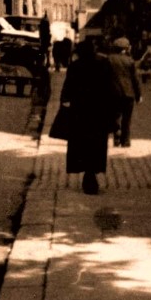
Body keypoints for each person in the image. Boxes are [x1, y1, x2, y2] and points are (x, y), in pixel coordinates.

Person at [59, 37, 121, 194]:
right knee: (97, 144)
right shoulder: (103, 65)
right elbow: (111, 88)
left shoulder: (75, 66)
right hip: (99, 112)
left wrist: (65, 101)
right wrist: (114, 113)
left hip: (80, 113)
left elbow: (67, 89)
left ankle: (87, 173)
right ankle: (91, 173)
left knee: (81, 144)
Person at [106, 37, 142, 147]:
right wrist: (138, 95)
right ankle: (125, 141)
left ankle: (116, 135)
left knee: (115, 115)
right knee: (127, 118)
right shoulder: (130, 61)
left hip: (113, 93)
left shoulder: (108, 59)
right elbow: (135, 79)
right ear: (125, 49)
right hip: (128, 94)